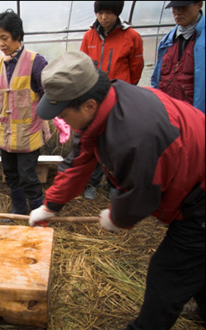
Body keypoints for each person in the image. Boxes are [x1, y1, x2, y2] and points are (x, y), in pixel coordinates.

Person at [30, 51, 205, 330]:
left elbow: (143, 194)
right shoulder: (104, 107)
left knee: (168, 273)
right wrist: (51, 204)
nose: (60, 120)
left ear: (87, 104)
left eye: (63, 113)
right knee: (194, 263)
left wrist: (117, 216)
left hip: (199, 197)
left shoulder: (134, 136)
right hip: (188, 178)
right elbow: (80, 159)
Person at [0, 10, 61, 222]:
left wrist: (59, 119)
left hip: (28, 133)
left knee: (29, 176)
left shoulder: (36, 62)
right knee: (11, 175)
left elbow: (48, 94)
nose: (1, 44)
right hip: (6, 132)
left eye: (4, 38)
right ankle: (19, 210)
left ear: (17, 36)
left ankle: (39, 215)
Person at [80, 1, 144, 200]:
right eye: (100, 12)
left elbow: (136, 68)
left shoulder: (131, 36)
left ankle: (116, 183)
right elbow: (82, 65)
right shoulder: (89, 36)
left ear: (117, 13)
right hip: (95, 98)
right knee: (96, 141)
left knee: (118, 142)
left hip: (119, 97)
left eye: (108, 13)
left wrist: (125, 91)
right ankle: (92, 182)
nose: (104, 17)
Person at [151, 1, 205, 113]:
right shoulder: (166, 42)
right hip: (168, 114)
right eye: (174, 9)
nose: (177, 13)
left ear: (199, 5)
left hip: (195, 116)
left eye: (183, 8)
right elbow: (156, 79)